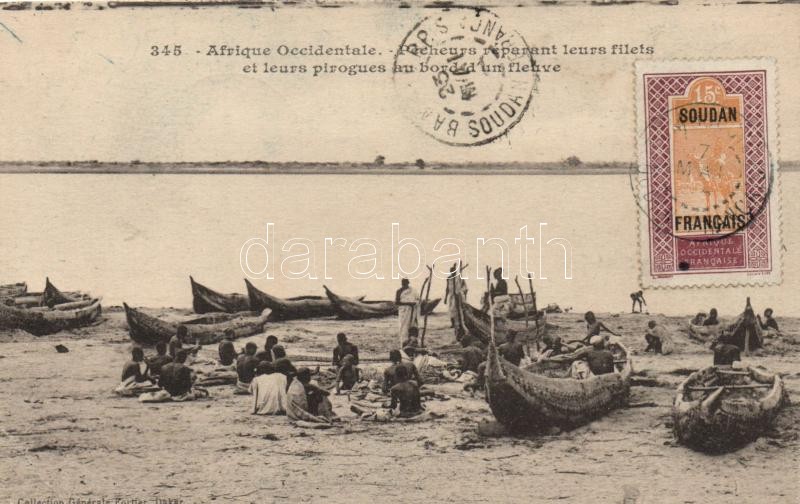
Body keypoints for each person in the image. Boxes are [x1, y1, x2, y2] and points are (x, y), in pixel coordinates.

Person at [395, 278, 420, 346]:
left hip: (412, 310)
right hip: (403, 311)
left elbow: (418, 299)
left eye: (406, 283)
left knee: (413, 325)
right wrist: (409, 304)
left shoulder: (412, 290)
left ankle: (412, 340)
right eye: (403, 283)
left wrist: (415, 303)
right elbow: (397, 302)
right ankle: (404, 341)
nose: (405, 285)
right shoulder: (399, 291)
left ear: (408, 283)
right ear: (402, 284)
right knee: (403, 326)